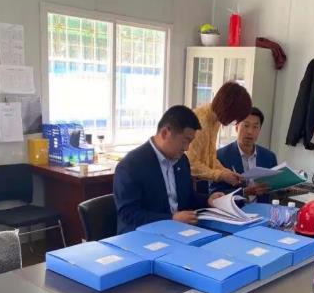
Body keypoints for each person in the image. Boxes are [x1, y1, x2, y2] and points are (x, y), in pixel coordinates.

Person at [113, 105, 224, 234]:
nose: (187, 148)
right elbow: (129, 214)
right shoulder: (131, 165)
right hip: (142, 236)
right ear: (165, 133)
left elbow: (188, 197)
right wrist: (171, 219)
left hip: (179, 231)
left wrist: (208, 200)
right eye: (185, 141)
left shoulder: (182, 160)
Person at [187, 82, 252, 187]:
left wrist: (225, 172)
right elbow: (190, 163)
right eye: (235, 116)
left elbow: (210, 158)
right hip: (188, 181)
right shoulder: (200, 122)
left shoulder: (215, 120)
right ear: (229, 109)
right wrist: (220, 175)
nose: (234, 121)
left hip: (199, 182)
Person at [211, 107, 278, 202]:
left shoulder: (269, 157)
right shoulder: (220, 156)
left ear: (259, 130)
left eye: (255, 127)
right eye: (246, 125)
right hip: (233, 209)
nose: (250, 132)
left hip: (263, 208)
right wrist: (244, 192)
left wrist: (287, 188)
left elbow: (274, 189)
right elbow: (214, 193)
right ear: (236, 127)